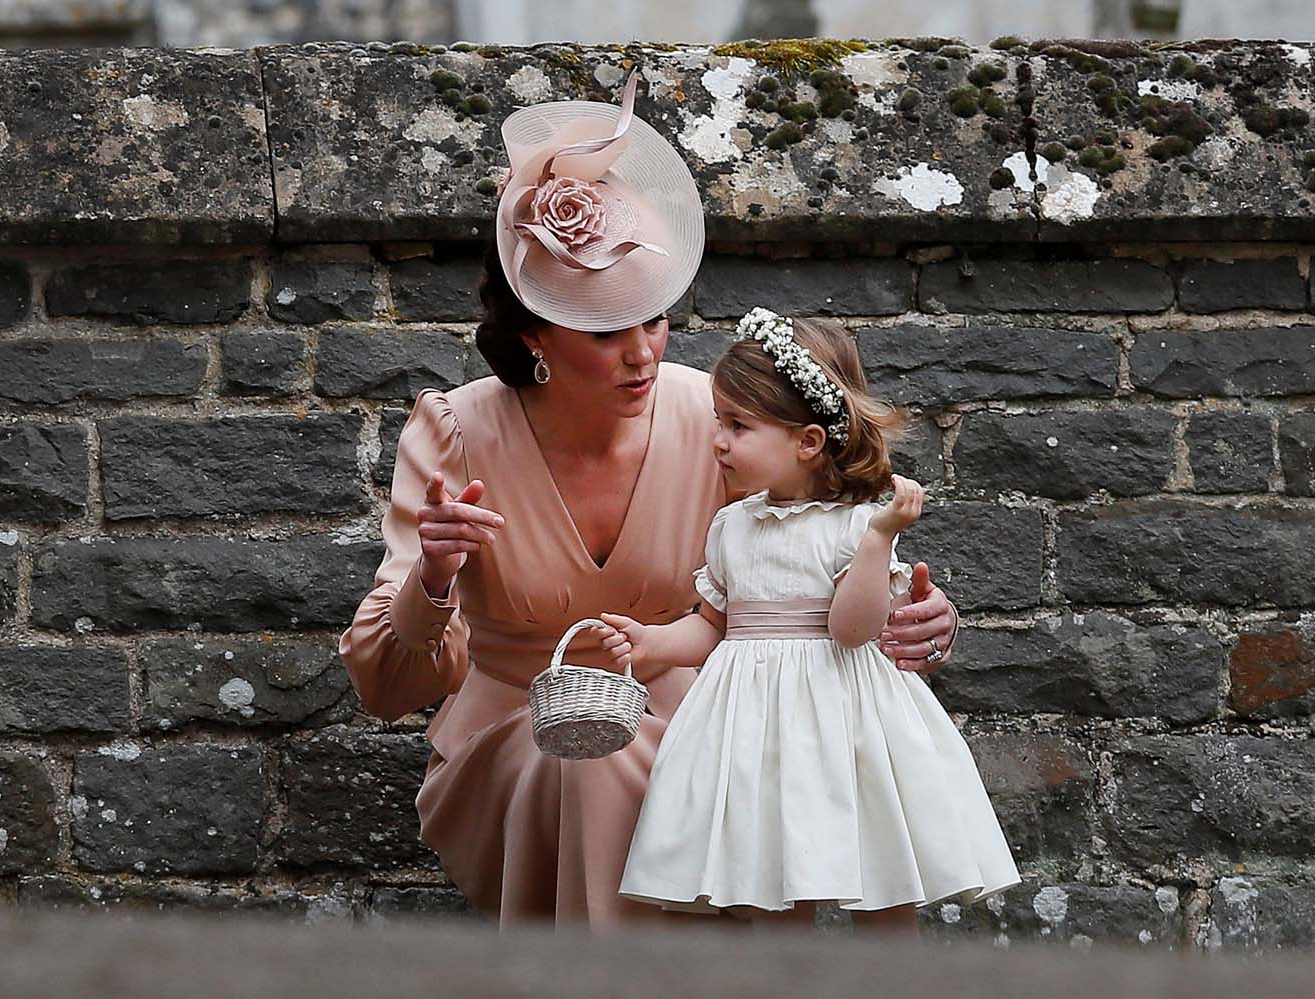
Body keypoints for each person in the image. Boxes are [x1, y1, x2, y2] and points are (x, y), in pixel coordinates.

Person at [338, 72, 963, 930]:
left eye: (655, 319)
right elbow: (386, 682)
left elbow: (831, 534)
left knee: (682, 772)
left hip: (709, 726)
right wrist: (436, 577)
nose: (642, 353)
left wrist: (922, 613)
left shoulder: (718, 419)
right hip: (520, 737)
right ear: (534, 336)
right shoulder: (456, 433)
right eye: (606, 332)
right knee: (586, 761)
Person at [603, 310, 1019, 929]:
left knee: (880, 879)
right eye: (720, 423)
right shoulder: (730, 527)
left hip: (848, 722)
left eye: (739, 426)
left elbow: (852, 631)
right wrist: (653, 644)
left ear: (807, 442)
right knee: (773, 879)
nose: (719, 440)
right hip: (756, 731)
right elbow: (713, 627)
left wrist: (880, 539)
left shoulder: (855, 527)